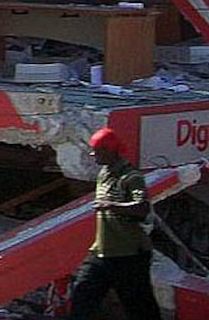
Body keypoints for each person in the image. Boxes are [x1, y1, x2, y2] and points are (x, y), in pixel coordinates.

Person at [68, 126, 161, 319]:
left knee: (140, 307)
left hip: (128, 255)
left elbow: (142, 208)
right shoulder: (104, 174)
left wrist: (111, 205)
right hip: (102, 252)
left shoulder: (131, 177)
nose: (93, 155)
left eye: (98, 150)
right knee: (81, 298)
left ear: (110, 151)